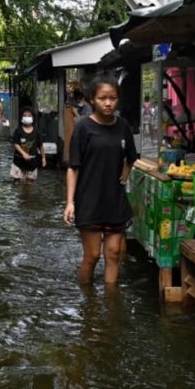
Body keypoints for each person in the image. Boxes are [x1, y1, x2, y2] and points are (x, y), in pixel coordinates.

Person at [63, 74, 138, 285]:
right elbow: (73, 168)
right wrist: (70, 202)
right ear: (92, 99)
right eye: (103, 98)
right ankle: (88, 304)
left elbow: (132, 157)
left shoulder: (123, 126)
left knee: (113, 255)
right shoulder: (83, 128)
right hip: (89, 200)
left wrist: (126, 173)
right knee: (93, 255)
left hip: (115, 200)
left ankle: (111, 304)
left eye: (112, 98)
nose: (108, 103)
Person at [10, 107, 46, 181]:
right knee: (16, 185)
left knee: (30, 186)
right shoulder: (18, 131)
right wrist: (23, 154)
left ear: (33, 117)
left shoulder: (37, 132)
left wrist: (43, 158)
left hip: (32, 163)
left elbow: (41, 146)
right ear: (21, 118)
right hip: (19, 162)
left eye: (29, 116)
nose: (27, 117)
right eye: (25, 116)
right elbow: (16, 144)